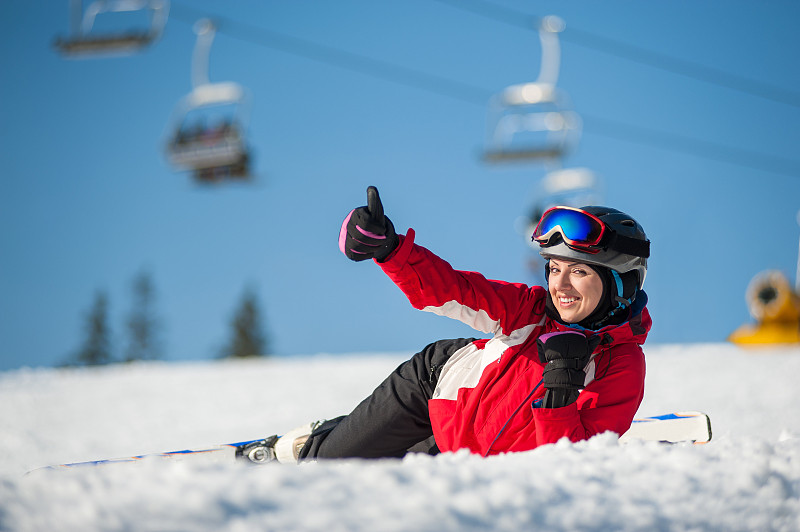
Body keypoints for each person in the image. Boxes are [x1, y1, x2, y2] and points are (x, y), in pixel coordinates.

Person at [266, 186, 651, 463]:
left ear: (621, 282)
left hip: (459, 454)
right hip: (432, 388)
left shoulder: (622, 365)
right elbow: (454, 290)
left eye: (579, 271)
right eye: (554, 269)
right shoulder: (530, 312)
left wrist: (561, 388)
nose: (560, 285)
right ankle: (318, 440)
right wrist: (390, 249)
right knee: (325, 469)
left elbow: (567, 463)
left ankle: (371, 437)